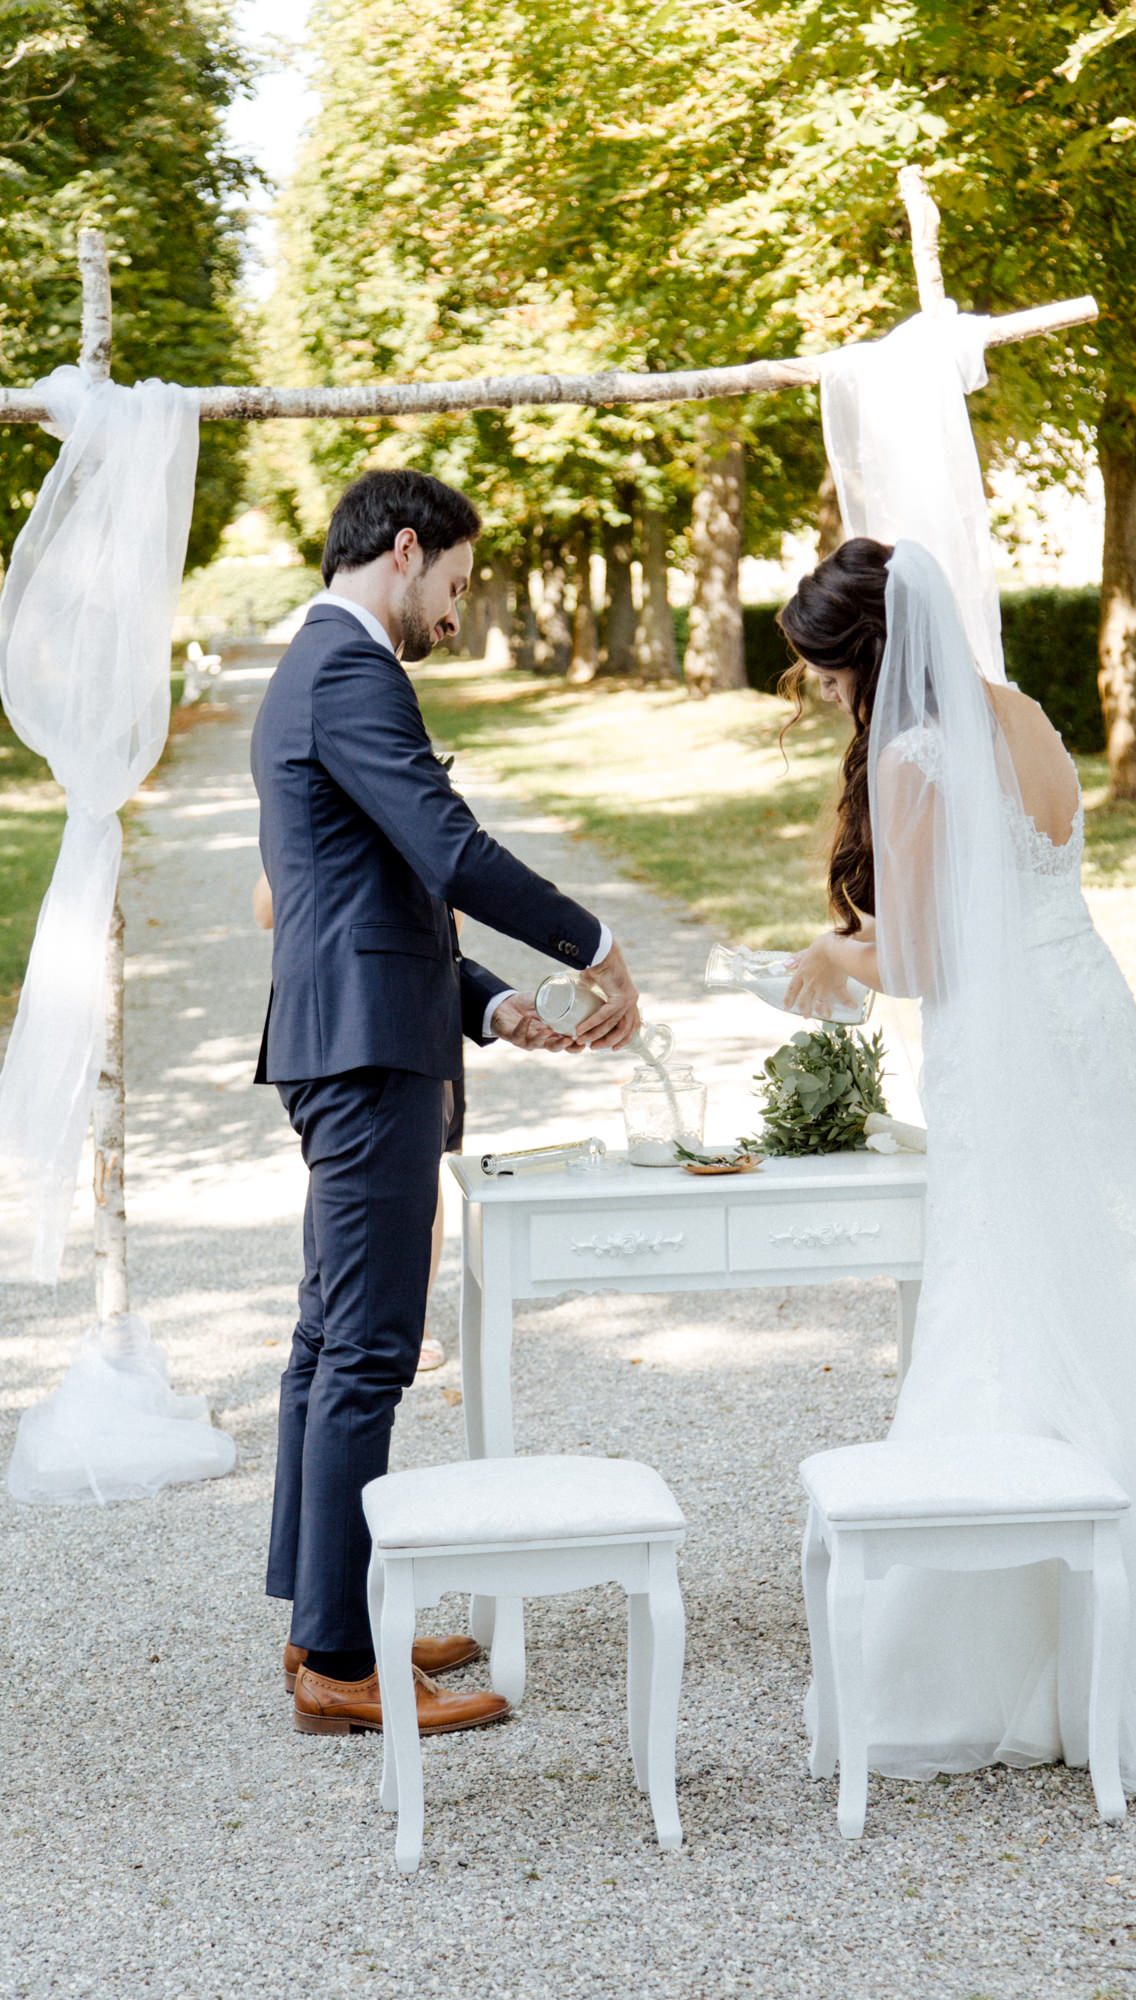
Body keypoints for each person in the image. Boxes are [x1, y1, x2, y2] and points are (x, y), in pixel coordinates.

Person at [778, 534, 1136, 1815]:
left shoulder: (916, 753)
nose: (817, 692)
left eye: (821, 670)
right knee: (1127, 1292)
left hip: (1003, 1044)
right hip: (1086, 1012)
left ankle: (998, 1660)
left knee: (1016, 1290)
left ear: (865, 657)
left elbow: (920, 961)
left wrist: (828, 954)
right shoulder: (1017, 712)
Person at [251, 468, 640, 1739]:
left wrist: (488, 1002)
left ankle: (333, 1614)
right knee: (366, 1346)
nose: (459, 616)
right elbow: (449, 849)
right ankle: (340, 1663)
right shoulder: (354, 671)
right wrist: (587, 942)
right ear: (404, 550)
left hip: (360, 1030)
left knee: (330, 1338)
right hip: (363, 1055)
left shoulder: (316, 669)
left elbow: (372, 889)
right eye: (458, 585)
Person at [254, 866, 452, 1373]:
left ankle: (412, 1310)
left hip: (416, 998)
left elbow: (450, 912)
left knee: (419, 1167)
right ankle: (354, 1317)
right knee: (351, 1175)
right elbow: (265, 908)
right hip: (350, 1018)